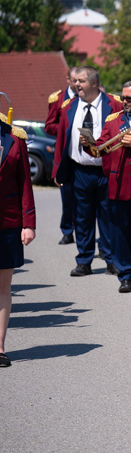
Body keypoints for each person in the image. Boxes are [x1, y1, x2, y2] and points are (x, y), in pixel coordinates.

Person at [83, 80, 131, 294]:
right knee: (120, 234)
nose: (124, 101)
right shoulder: (114, 121)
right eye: (122, 97)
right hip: (118, 186)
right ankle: (125, 275)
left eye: (129, 98)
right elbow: (101, 148)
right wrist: (88, 145)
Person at [52, 66, 123, 277]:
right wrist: (57, 169)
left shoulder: (114, 105)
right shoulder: (69, 107)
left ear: (94, 82)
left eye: (81, 81)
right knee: (82, 218)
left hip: (106, 170)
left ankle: (111, 260)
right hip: (79, 170)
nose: (76, 85)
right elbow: (61, 141)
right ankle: (84, 260)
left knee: (109, 217)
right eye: (75, 81)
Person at [0, 114, 36, 368]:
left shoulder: (14, 138)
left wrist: (28, 223)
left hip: (7, 222)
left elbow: (25, 182)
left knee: (3, 287)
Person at [46, 71, 77, 246]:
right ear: (68, 80)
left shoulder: (88, 98)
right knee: (67, 196)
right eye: (74, 81)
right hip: (65, 153)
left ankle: (82, 231)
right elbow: (49, 125)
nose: (77, 84)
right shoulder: (57, 99)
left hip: (84, 153)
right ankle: (67, 230)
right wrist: (67, 128)